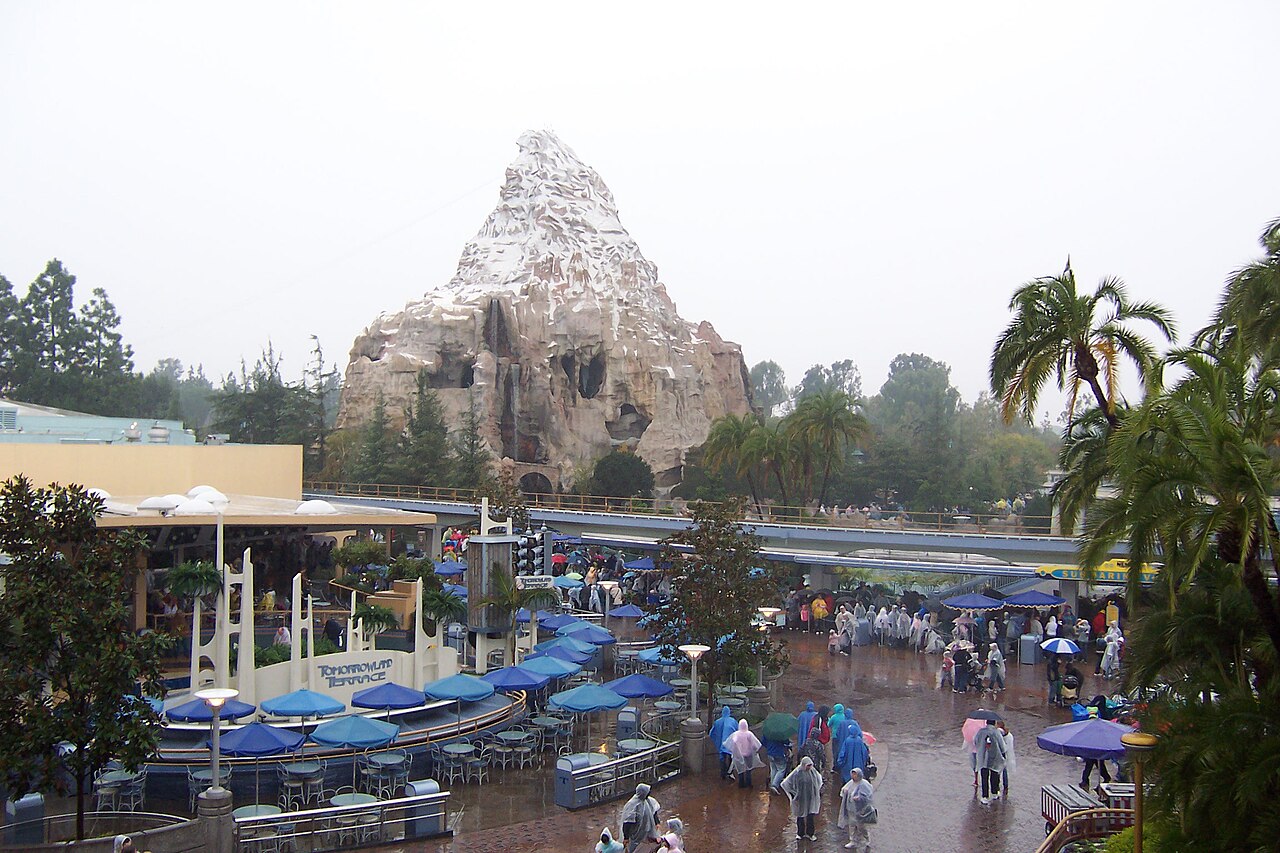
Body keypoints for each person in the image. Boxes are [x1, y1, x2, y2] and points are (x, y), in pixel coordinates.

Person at [780, 755, 824, 841]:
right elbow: (786, 783)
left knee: (810, 816)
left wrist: (817, 792)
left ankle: (810, 833)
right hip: (800, 799)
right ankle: (800, 833)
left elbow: (819, 780)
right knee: (800, 815)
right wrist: (793, 794)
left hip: (811, 798)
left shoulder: (813, 772)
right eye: (808, 765)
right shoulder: (797, 772)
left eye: (810, 765)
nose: (809, 767)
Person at [837, 767, 875, 852]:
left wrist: (860, 798)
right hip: (851, 808)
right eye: (852, 774)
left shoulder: (864, 784)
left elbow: (868, 796)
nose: (853, 776)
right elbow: (844, 790)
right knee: (852, 825)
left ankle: (867, 838)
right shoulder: (851, 783)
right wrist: (845, 791)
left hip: (860, 810)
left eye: (855, 774)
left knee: (861, 826)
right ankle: (852, 840)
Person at [973, 719, 1008, 804]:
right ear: (994, 723)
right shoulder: (996, 732)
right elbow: (1002, 746)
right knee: (994, 775)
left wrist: (981, 748)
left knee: (984, 776)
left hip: (983, 758)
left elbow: (975, 741)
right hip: (994, 758)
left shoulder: (981, 731)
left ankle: (985, 796)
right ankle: (994, 792)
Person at [620, 784, 661, 853]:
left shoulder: (649, 801)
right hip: (635, 834)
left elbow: (654, 812)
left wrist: (657, 822)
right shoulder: (632, 805)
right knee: (634, 849)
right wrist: (626, 837)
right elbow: (627, 823)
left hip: (647, 831)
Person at [724, 719, 763, 788]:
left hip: (739, 755)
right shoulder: (749, 734)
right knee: (748, 769)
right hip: (748, 754)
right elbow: (755, 744)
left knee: (740, 769)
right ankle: (749, 783)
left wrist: (736, 749)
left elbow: (733, 741)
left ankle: (741, 783)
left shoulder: (736, 734)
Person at [835, 714, 869, 784]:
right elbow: (864, 752)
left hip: (847, 766)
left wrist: (839, 762)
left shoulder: (847, 740)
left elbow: (843, 754)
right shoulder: (859, 740)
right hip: (858, 765)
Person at [708, 706, 737, 780]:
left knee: (722, 757)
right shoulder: (733, 721)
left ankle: (723, 773)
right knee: (731, 756)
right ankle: (730, 771)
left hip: (721, 743)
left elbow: (712, 732)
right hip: (730, 744)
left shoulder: (717, 722)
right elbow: (737, 730)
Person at [996, 721, 1016, 795]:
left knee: (997, 770)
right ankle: (1005, 785)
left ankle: (997, 786)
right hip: (1006, 753)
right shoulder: (1009, 735)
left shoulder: (998, 732)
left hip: (1000, 753)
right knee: (1004, 770)